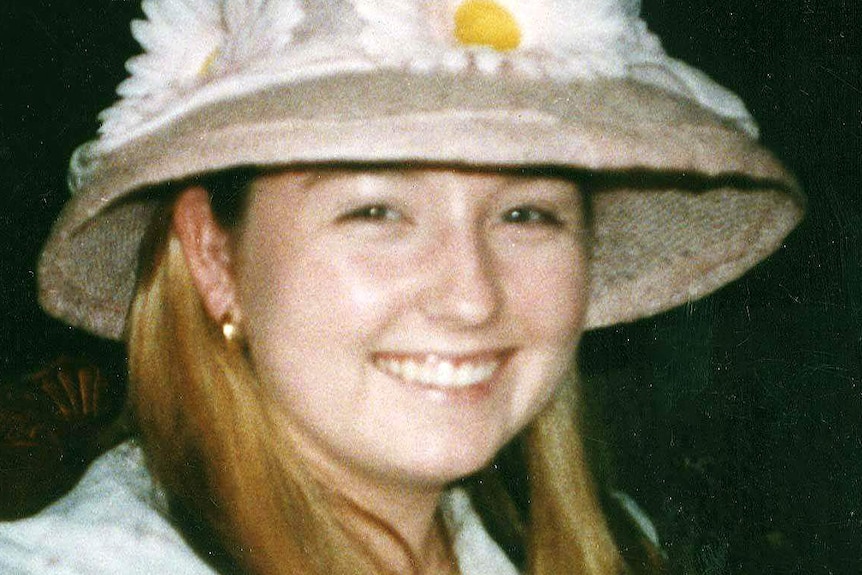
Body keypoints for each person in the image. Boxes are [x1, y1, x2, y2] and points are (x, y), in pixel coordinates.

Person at [0, 0, 805, 573]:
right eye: (378, 209)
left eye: (526, 213)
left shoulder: (610, 544)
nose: (471, 298)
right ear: (213, 257)